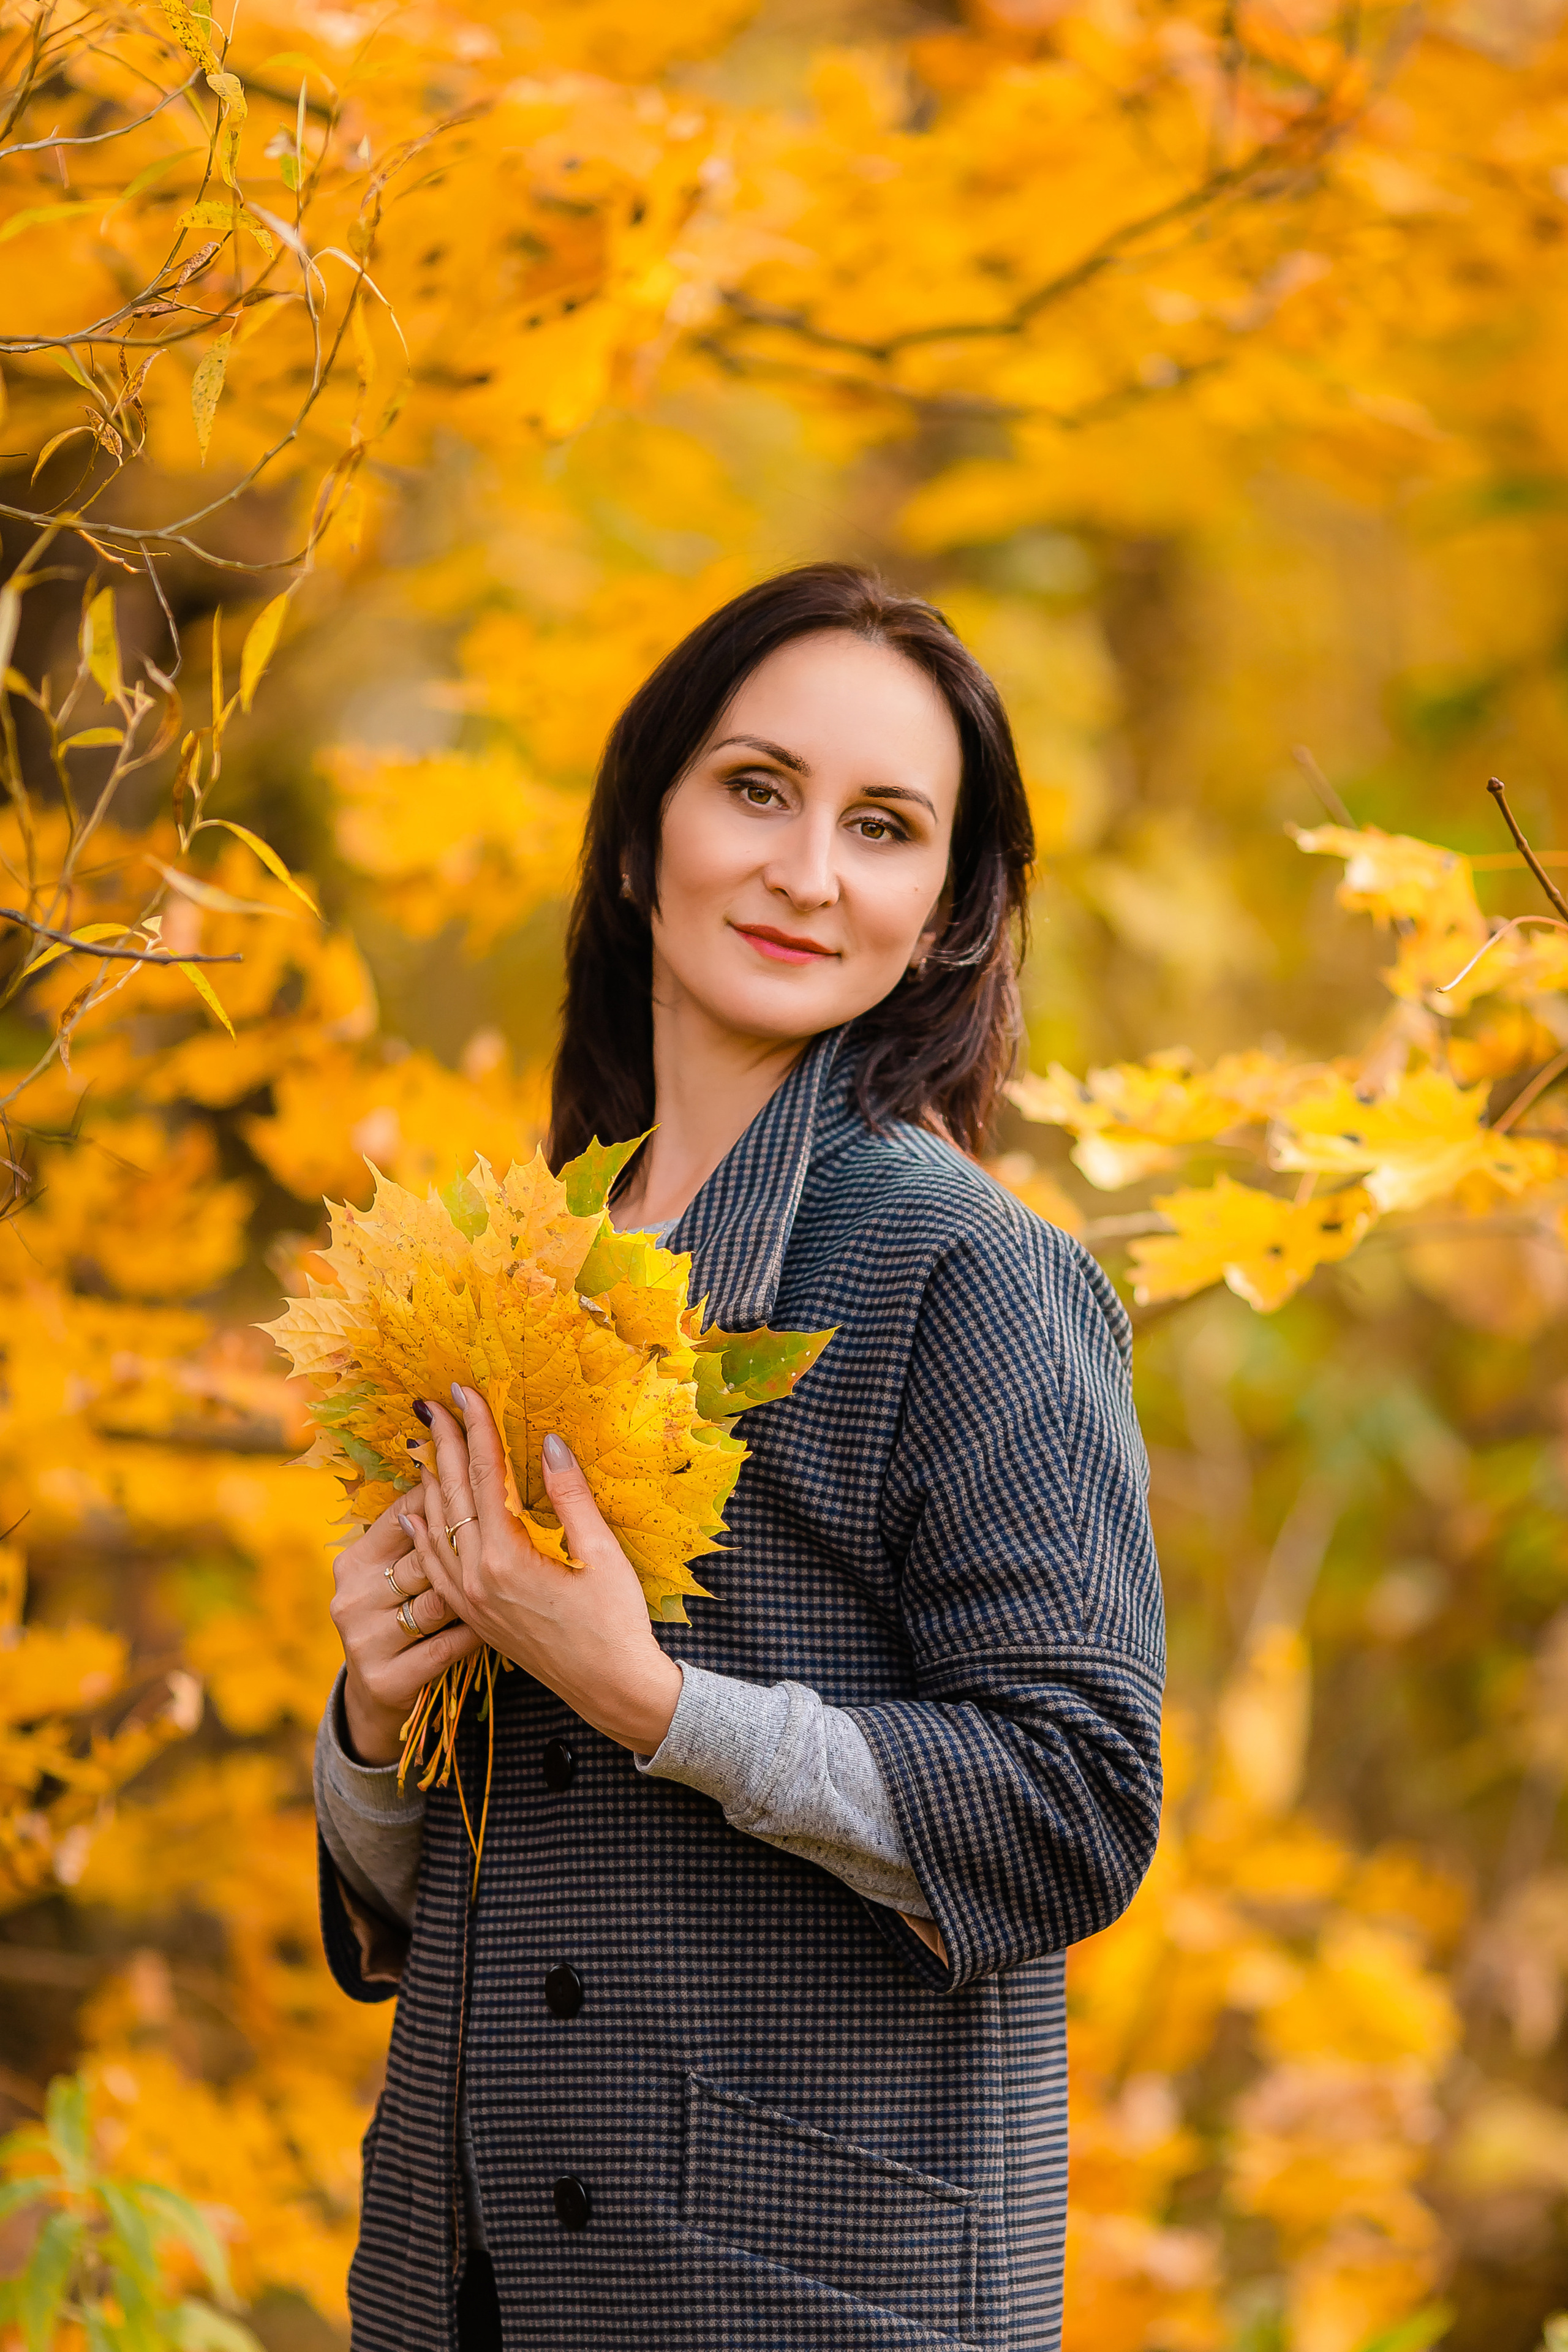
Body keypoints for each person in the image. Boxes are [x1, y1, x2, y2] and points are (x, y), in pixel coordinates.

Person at [314, 562, 1165, 2351]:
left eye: (884, 826)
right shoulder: (512, 1278)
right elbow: (473, 1885)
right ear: (644, 838)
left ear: (943, 912)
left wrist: (655, 1703)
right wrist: (372, 1734)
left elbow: (1078, 1804)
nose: (808, 871)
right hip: (457, 2288)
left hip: (808, 2298)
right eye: (757, 789)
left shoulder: (975, 1278)